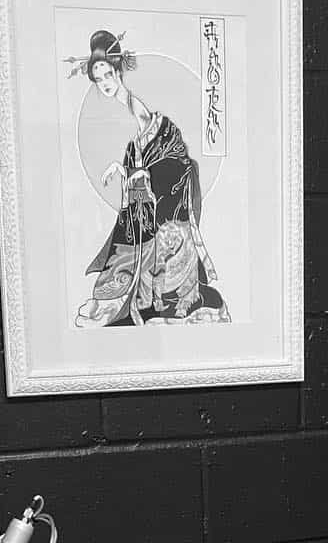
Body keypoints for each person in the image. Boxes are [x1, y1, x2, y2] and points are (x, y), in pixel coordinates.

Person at [72, 31, 230, 327]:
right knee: (120, 267)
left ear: (118, 72)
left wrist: (146, 174)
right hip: (144, 223)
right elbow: (138, 171)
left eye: (108, 74)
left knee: (158, 266)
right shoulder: (128, 132)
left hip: (166, 223)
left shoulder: (147, 116)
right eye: (99, 78)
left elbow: (176, 162)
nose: (105, 82)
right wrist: (126, 171)